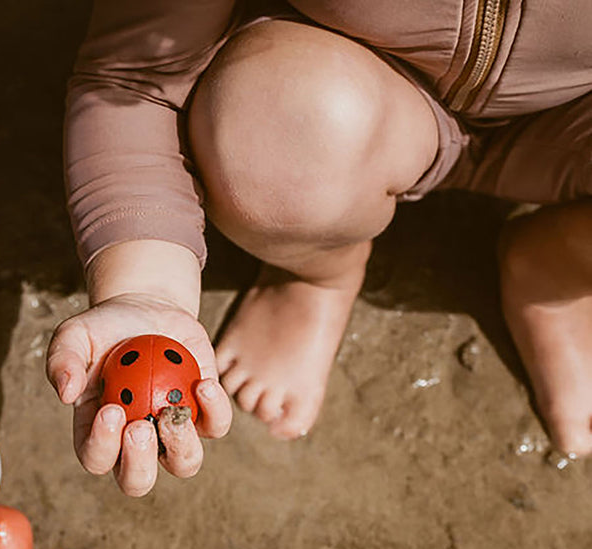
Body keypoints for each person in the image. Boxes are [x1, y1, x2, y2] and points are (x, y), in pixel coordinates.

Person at [46, 0, 592, 497]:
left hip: (565, 132)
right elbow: (136, 78)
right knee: (279, 125)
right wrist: (147, 286)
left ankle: (559, 265)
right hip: (334, 90)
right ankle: (316, 269)